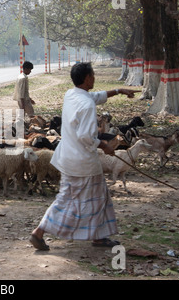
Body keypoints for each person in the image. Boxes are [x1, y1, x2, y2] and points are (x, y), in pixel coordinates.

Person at [29, 62, 140, 251]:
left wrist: (118, 90)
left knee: (96, 196)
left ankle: (98, 236)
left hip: (68, 158)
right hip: (83, 163)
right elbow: (86, 136)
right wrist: (104, 145)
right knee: (70, 199)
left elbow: (95, 97)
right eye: (93, 75)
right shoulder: (87, 104)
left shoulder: (72, 94)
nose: (95, 77)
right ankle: (39, 232)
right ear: (88, 78)